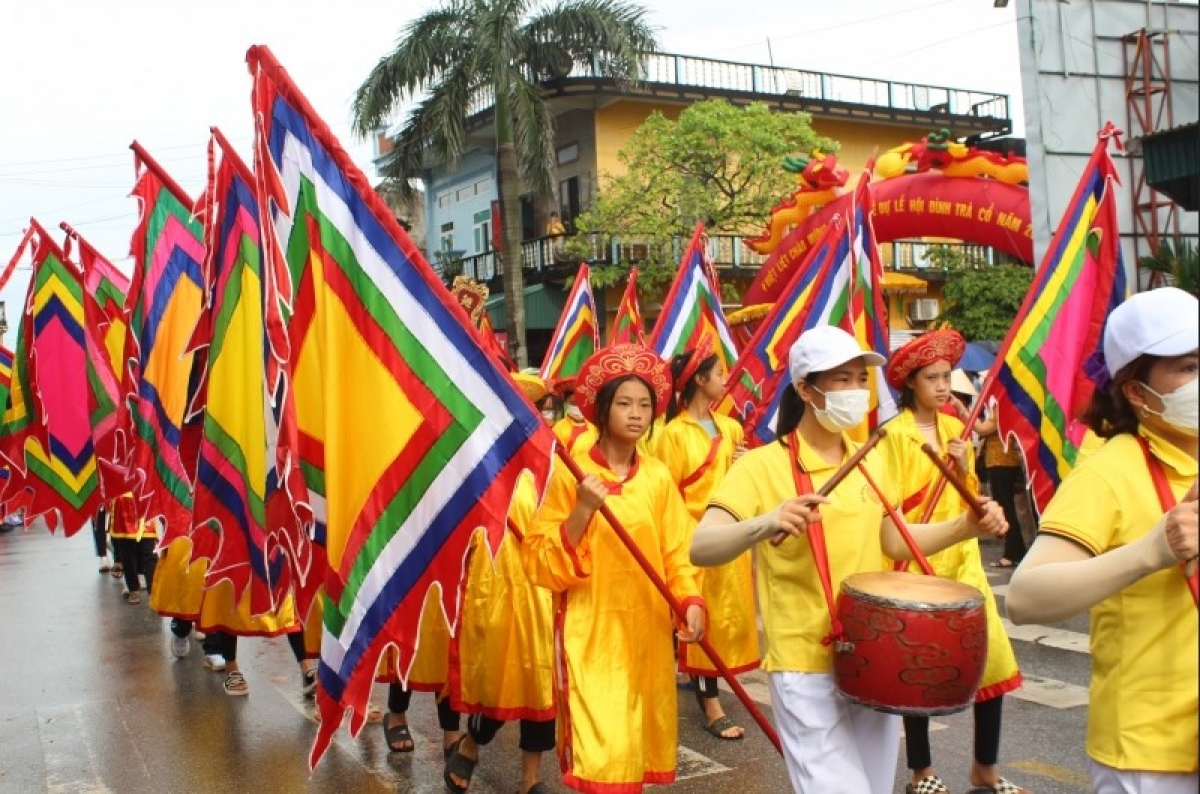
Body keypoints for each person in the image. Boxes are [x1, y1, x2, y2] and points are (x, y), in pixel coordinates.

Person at [690, 326, 1008, 794]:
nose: (857, 391)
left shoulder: (870, 460)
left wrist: (965, 526)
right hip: (804, 660)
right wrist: (766, 522)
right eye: (842, 380)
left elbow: (895, 540)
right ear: (804, 389)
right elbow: (702, 546)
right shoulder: (761, 466)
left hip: (872, 655)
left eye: (861, 379)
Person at [1007, 287, 1198, 794]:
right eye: (1189, 367)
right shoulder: (1110, 471)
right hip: (1154, 755)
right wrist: (1150, 551)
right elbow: (1026, 598)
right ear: (1136, 391)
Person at [523, 343, 706, 793]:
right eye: (624, 403)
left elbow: (677, 551)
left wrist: (689, 600)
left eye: (644, 404)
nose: (636, 414)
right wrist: (582, 510)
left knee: (632, 757)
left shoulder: (658, 478)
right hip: (590, 636)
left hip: (645, 638)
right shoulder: (572, 473)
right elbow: (539, 560)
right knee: (603, 757)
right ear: (602, 411)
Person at [880, 330, 1026, 794]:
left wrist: (965, 464)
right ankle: (921, 771)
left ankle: (985, 769)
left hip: (964, 563)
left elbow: (968, 495)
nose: (943, 386)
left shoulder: (955, 428)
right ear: (911, 383)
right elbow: (894, 510)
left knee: (995, 662)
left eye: (947, 377)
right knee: (921, 669)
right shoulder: (893, 436)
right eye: (933, 378)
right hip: (919, 566)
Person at [444, 372, 556, 794]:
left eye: (539, 409)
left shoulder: (553, 461)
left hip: (541, 584)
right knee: (497, 679)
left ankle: (531, 779)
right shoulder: (475, 463)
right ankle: (472, 745)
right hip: (491, 585)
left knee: (539, 681)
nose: (535, 417)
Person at [652, 337, 756, 740]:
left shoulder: (730, 427)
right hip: (693, 540)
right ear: (699, 379)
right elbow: (664, 491)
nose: (725, 380)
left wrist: (744, 465)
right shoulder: (673, 435)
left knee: (728, 619)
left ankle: (705, 680)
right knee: (700, 620)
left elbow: (736, 481)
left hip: (729, 535)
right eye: (719, 373)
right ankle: (710, 703)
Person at [550, 376, 597, 456]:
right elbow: (559, 459)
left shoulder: (595, 426)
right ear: (566, 402)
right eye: (574, 403)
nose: (578, 407)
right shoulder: (558, 429)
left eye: (581, 403)